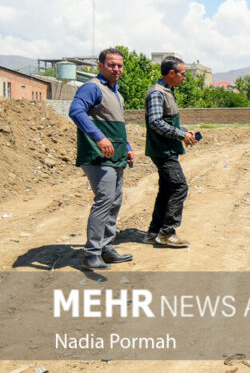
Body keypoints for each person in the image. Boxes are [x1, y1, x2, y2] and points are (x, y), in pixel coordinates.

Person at [69, 48, 135, 270]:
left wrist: (127, 147)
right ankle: (92, 254)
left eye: (120, 65)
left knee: (115, 201)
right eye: (111, 65)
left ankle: (106, 249)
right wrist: (99, 138)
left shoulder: (117, 93)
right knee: (104, 200)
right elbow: (76, 111)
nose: (116, 69)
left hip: (115, 156)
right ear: (100, 66)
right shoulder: (92, 88)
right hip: (98, 156)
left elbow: (116, 124)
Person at [143, 56, 197, 248]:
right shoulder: (157, 93)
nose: (185, 77)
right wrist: (180, 135)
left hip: (167, 148)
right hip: (162, 150)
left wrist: (184, 131)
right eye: (182, 74)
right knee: (179, 187)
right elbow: (156, 122)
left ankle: (153, 232)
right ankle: (167, 233)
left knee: (166, 190)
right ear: (171, 73)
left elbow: (167, 120)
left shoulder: (167, 91)